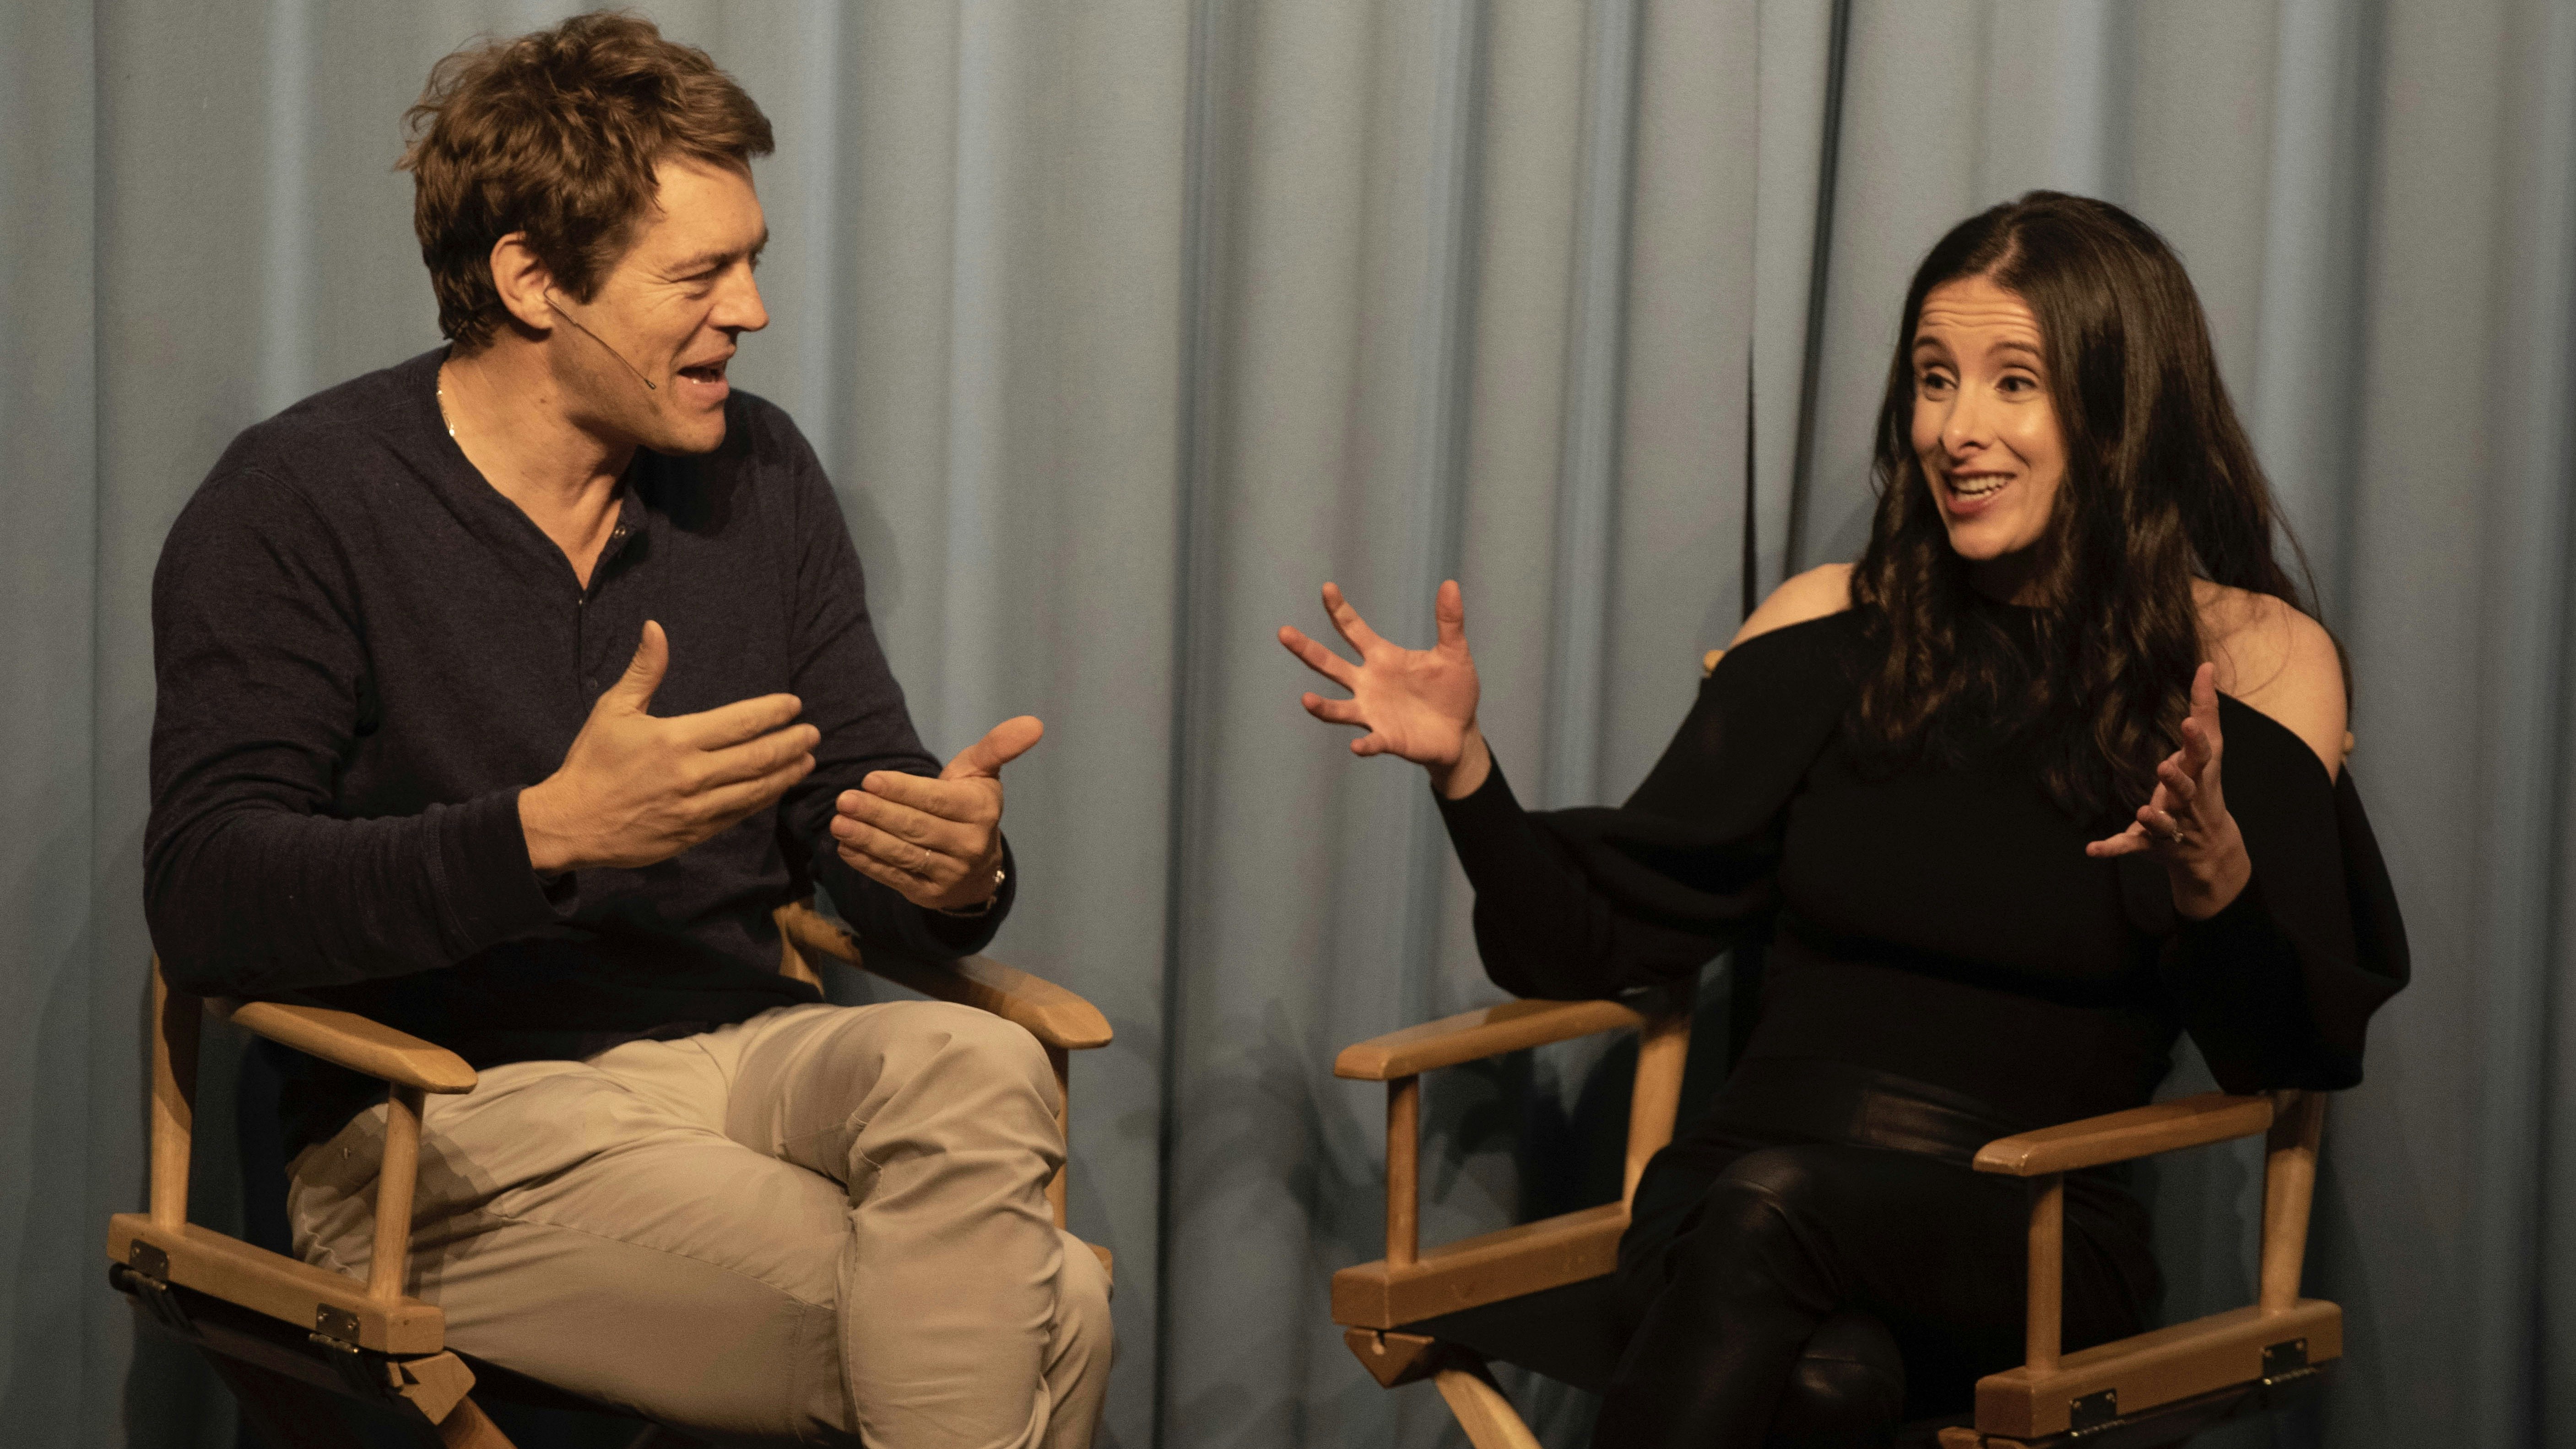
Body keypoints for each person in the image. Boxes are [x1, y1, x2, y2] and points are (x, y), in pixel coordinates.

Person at [1279, 192, 2408, 1445]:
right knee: (1823, 1378)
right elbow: (1596, 941)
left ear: (2118, 404)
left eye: (2011, 382)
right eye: (1932, 381)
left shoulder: (2245, 660)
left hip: (2025, 1240)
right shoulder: (1831, 627)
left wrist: (2216, 878)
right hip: (1729, 1199)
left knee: (1783, 1225)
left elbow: (2295, 1049)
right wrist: (1466, 773)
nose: (1956, 429)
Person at [144, 15, 1108, 1447]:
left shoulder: (760, 480)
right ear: (535, 281)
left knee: (987, 1064)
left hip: (740, 1062)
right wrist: (543, 837)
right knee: (1059, 1308)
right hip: (444, 1128)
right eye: (701, 275)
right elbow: (209, 896)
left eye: (753, 261)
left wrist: (950, 866)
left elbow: (853, 804)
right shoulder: (302, 502)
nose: (753, 312)